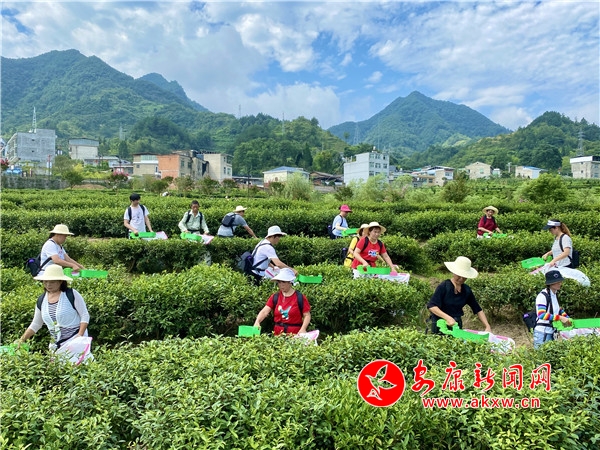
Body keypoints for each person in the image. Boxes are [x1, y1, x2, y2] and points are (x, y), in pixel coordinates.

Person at [17, 264, 90, 351]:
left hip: (75, 341)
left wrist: (80, 335)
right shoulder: (41, 300)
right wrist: (21, 340)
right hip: (55, 345)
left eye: (52, 282)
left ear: (60, 281)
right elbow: (36, 324)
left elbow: (85, 315)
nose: (48, 285)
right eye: (45, 282)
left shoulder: (71, 294)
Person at [427, 256, 492, 335]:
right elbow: (432, 306)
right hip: (440, 324)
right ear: (454, 272)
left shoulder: (466, 290)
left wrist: (487, 326)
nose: (461, 278)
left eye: (464, 276)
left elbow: (478, 309)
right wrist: (447, 318)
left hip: (456, 325)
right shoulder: (444, 286)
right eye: (459, 275)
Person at [253, 268, 311, 335]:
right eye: (279, 282)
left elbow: (307, 315)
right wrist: (257, 321)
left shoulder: (300, 297)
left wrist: (303, 329)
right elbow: (265, 311)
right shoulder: (275, 297)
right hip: (277, 334)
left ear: (290, 282)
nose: (281, 285)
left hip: (295, 334)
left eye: (283, 282)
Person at [533, 270, 571, 349]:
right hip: (543, 333)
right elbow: (541, 314)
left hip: (551, 332)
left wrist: (567, 318)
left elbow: (558, 310)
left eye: (560, 281)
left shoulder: (554, 294)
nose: (560, 283)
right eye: (557, 282)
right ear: (550, 283)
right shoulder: (543, 296)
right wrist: (560, 318)